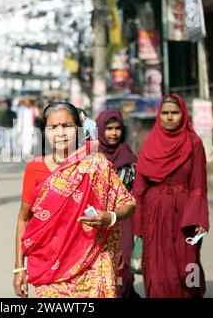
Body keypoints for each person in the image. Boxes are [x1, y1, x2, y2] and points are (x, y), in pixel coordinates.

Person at [13, 102, 136, 298]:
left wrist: (110, 217)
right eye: (53, 127)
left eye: (67, 126)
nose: (60, 133)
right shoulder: (34, 169)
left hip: (94, 263)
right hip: (50, 268)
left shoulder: (96, 162)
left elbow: (128, 204)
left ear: (78, 129)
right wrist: (19, 268)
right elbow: (23, 219)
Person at [132, 94, 209, 298]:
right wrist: (138, 226)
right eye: (165, 113)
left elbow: (198, 184)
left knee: (187, 266)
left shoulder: (194, 143)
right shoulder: (149, 145)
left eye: (174, 113)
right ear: (159, 115)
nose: (169, 117)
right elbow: (139, 190)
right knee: (157, 268)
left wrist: (199, 217)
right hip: (154, 215)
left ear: (183, 115)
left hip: (185, 214)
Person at [95, 110, 140, 298]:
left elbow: (136, 191)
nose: (114, 133)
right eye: (109, 129)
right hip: (97, 221)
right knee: (102, 268)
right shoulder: (91, 156)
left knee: (124, 266)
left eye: (118, 129)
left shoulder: (128, 155)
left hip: (124, 221)